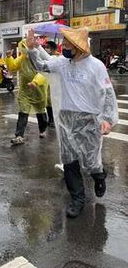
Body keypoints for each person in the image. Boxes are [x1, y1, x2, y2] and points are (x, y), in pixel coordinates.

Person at [27, 27, 118, 218]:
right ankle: (77, 199)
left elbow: (108, 94)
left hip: (89, 120)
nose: (64, 46)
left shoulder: (96, 66)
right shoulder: (62, 63)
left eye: (68, 43)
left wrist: (108, 120)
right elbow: (41, 66)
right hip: (67, 118)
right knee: (69, 161)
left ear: (78, 46)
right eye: (64, 43)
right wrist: (32, 48)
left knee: (90, 161)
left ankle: (99, 176)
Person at [5, 41, 48, 145]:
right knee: (23, 112)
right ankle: (19, 136)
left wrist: (35, 82)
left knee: (41, 112)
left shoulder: (39, 57)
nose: (24, 49)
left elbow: (44, 72)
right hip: (25, 91)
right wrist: (9, 57)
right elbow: (13, 67)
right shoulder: (22, 58)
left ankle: (42, 129)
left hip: (39, 91)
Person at [44, 41, 60, 127]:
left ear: (53, 48)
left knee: (54, 102)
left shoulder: (59, 57)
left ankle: (53, 120)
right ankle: (50, 119)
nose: (46, 49)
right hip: (47, 81)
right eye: (45, 47)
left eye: (48, 47)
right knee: (48, 102)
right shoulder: (46, 58)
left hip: (55, 82)